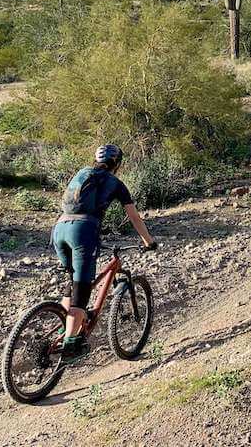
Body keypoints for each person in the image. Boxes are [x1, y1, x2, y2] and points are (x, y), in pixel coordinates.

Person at [51, 144, 156, 362]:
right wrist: (149, 242)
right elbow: (134, 218)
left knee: (72, 282)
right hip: (83, 231)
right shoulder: (116, 183)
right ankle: (71, 345)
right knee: (82, 292)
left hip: (59, 228)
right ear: (117, 164)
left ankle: (64, 327)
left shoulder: (82, 173)